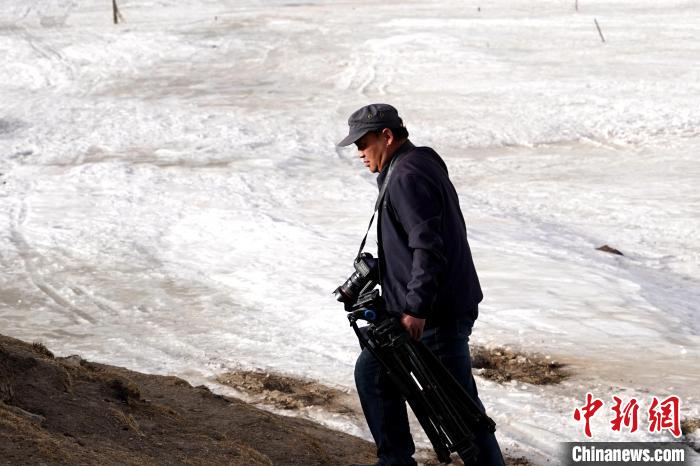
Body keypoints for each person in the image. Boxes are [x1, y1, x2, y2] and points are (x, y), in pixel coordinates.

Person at [337, 104, 505, 466]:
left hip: (434, 315)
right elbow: (420, 243)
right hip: (430, 307)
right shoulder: (415, 164)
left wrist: (415, 308)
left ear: (386, 136)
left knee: (461, 414)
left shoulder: (407, 176)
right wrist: (385, 271)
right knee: (373, 372)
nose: (359, 154)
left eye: (363, 144)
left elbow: (429, 247)